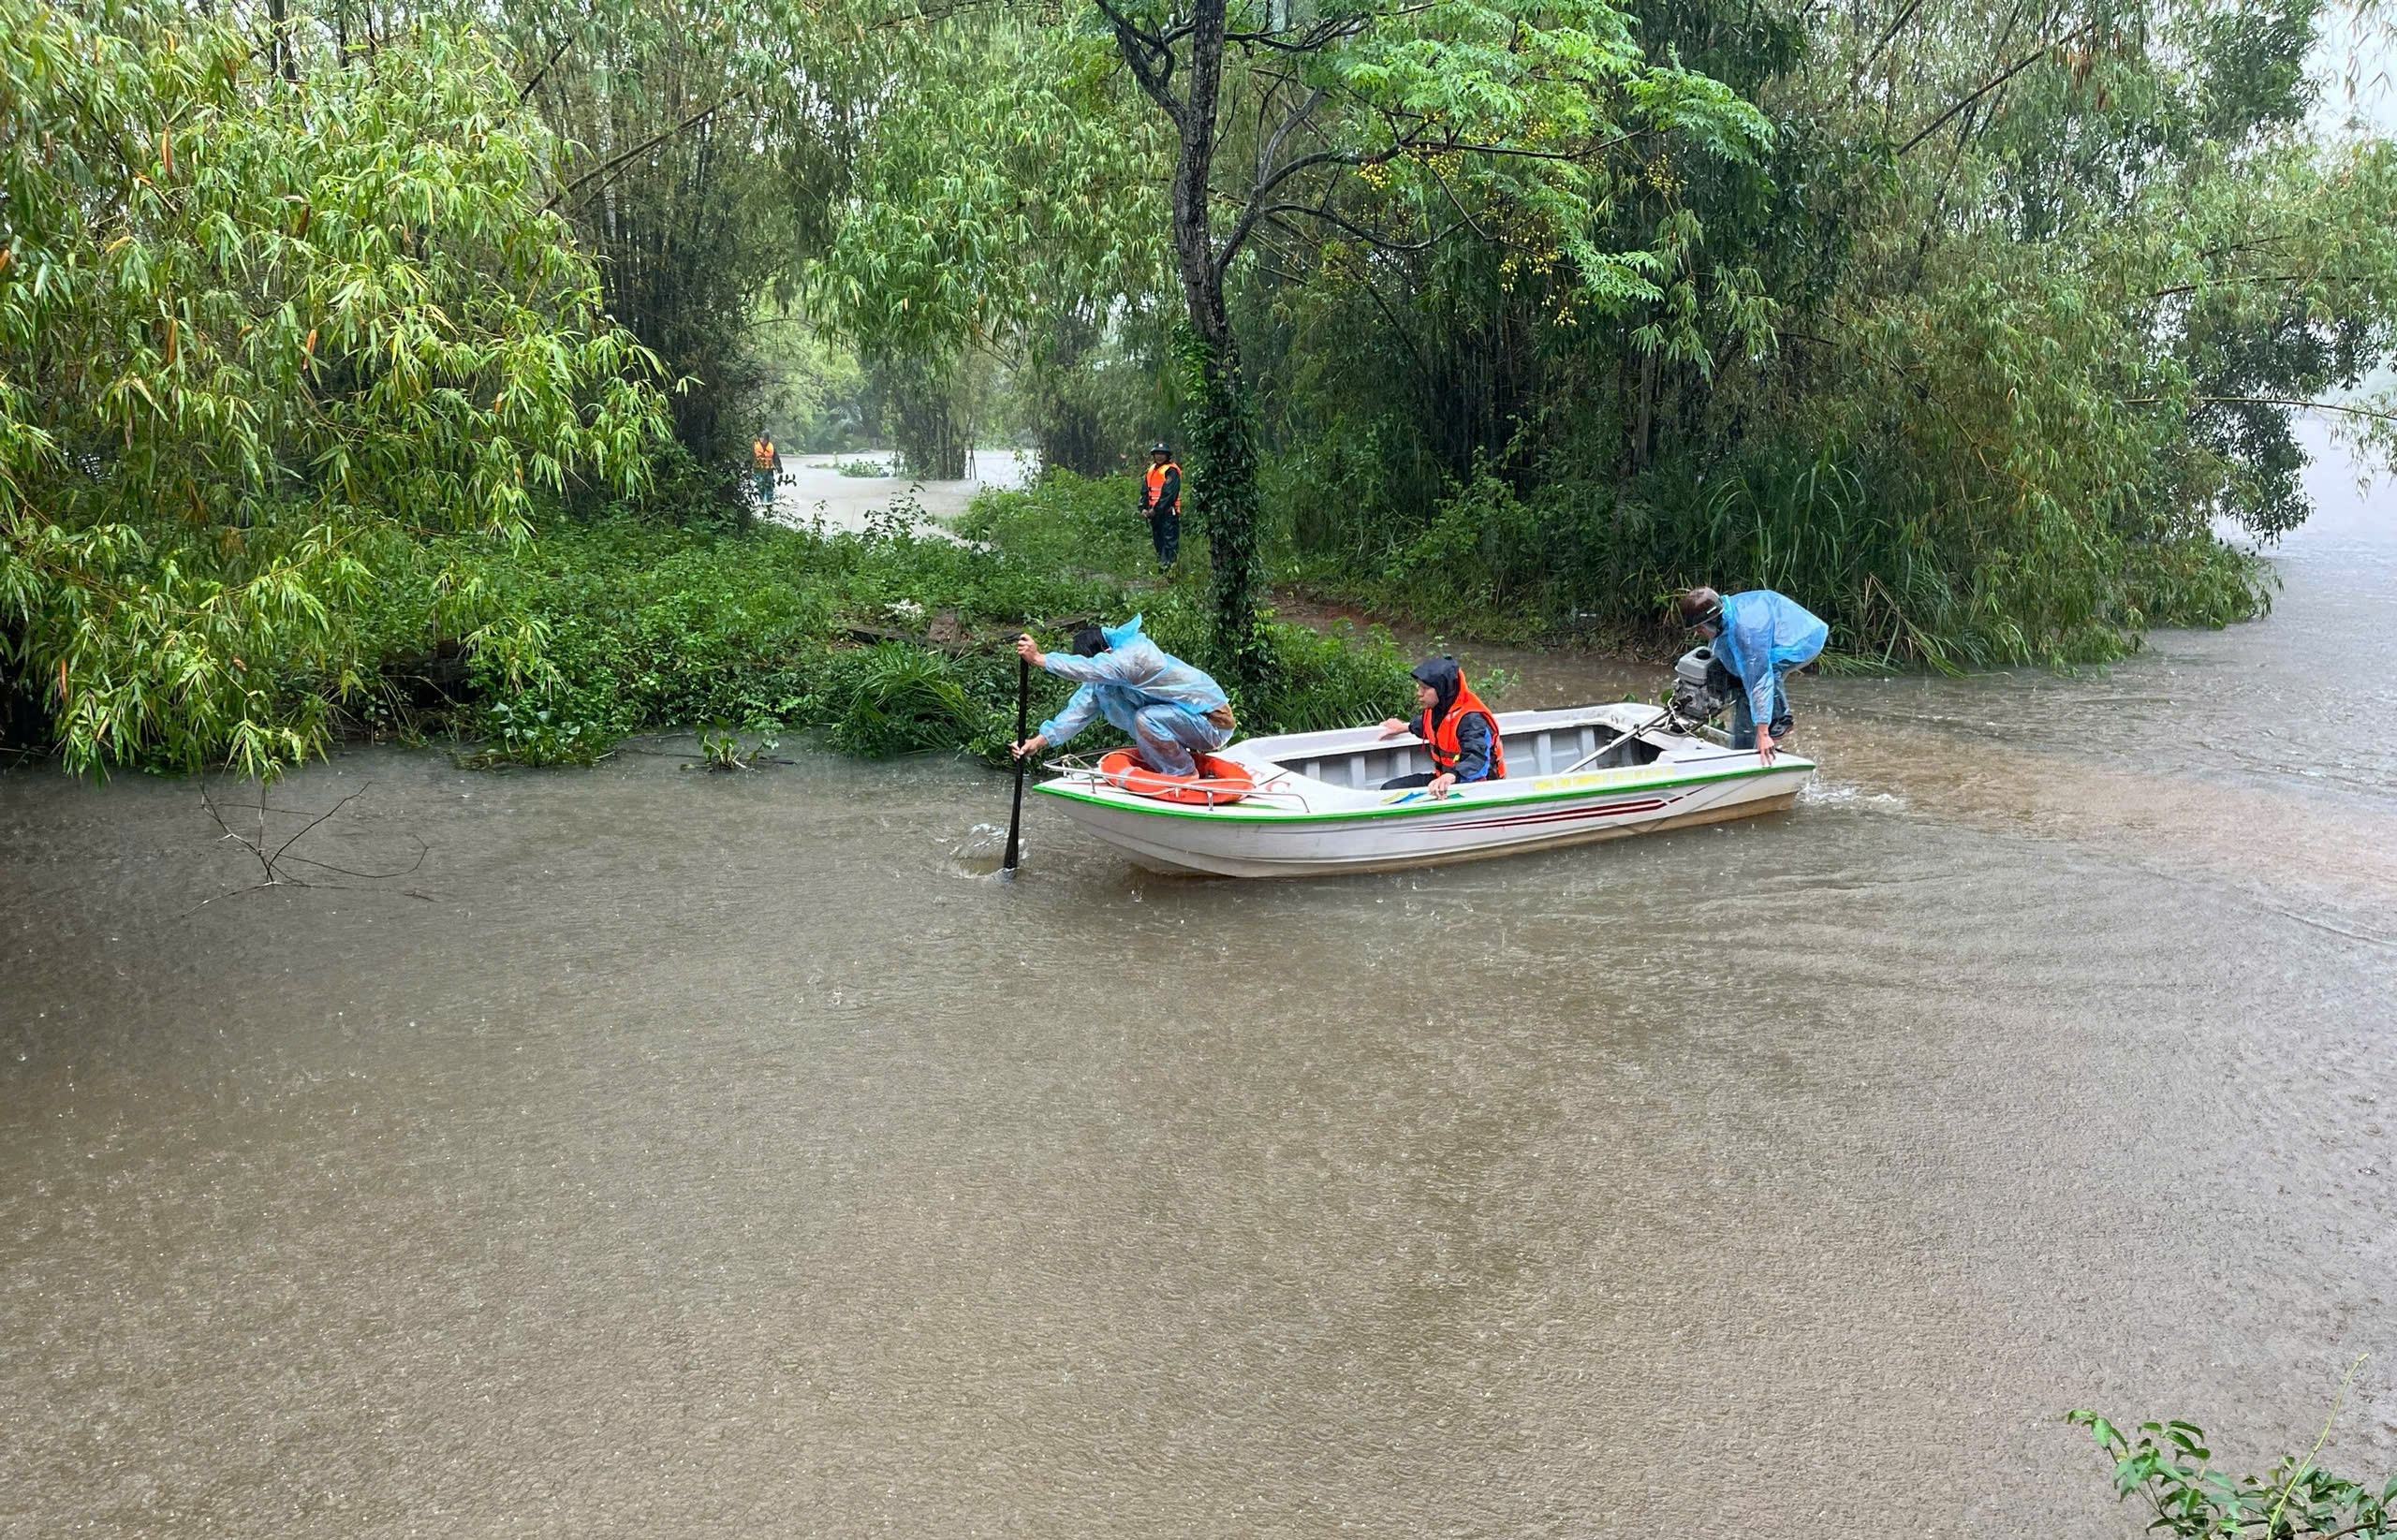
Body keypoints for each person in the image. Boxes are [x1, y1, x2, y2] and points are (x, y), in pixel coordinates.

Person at [1012, 615, 1236, 776]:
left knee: (1146, 718)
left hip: (1213, 724)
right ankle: (1180, 763)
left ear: (1108, 653)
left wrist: (1040, 659)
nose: (1098, 670)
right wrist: (1037, 742)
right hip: (1187, 723)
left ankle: (1184, 774)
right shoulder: (1104, 681)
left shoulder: (1138, 657)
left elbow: (1090, 669)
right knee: (1146, 718)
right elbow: (1077, 712)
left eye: (1100, 663)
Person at [1677, 586, 1828, 766]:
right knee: (1737, 677)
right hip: (1770, 621)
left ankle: (1780, 719)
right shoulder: (1725, 619)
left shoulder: (1747, 633)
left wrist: (1763, 733)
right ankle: (1747, 742)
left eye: (1699, 629)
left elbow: (1759, 680)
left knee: (1756, 679)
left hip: (1801, 637)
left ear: (1712, 620)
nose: (1697, 633)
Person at [1375, 656, 1507, 795]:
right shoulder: (1439, 709)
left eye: (1425, 688)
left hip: (1476, 788)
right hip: (1445, 780)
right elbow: (1430, 726)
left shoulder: (1472, 720)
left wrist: (1451, 776)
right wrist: (1403, 727)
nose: (1419, 693)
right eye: (1418, 686)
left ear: (1442, 689)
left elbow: (1477, 759)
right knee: (1389, 790)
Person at [1137, 442, 1181, 568]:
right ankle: (1162, 568)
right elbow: (1145, 491)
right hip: (1154, 514)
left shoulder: (1171, 470)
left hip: (1167, 514)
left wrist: (1156, 509)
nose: (1159, 456)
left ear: (1167, 455)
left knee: (1169, 543)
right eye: (1157, 454)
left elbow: (1169, 494)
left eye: (1162, 454)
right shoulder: (1151, 470)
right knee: (1158, 542)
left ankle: (1171, 571)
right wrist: (1143, 508)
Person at [751, 433, 783, 506]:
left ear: (767, 440)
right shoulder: (755, 446)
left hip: (769, 470)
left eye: (764, 439)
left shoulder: (771, 447)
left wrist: (779, 468)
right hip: (758, 470)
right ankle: (761, 501)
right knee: (760, 485)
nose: (763, 440)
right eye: (761, 438)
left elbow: (776, 458)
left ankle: (769, 502)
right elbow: (750, 458)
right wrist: (748, 469)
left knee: (769, 486)